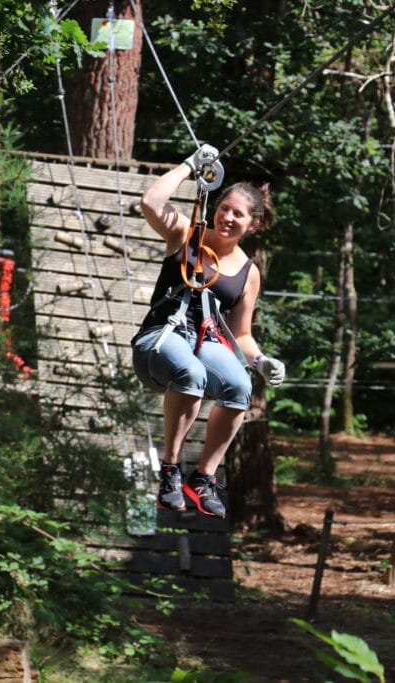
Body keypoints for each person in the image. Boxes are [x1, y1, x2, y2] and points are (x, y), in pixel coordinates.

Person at [131, 144, 285, 518]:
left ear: (254, 224)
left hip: (206, 341)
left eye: (239, 215)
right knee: (192, 373)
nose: (227, 218)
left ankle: (204, 477)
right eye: (224, 208)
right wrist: (188, 165)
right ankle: (171, 469)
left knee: (240, 386)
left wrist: (261, 361)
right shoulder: (187, 234)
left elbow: (241, 335)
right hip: (161, 337)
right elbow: (151, 202)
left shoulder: (249, 273)